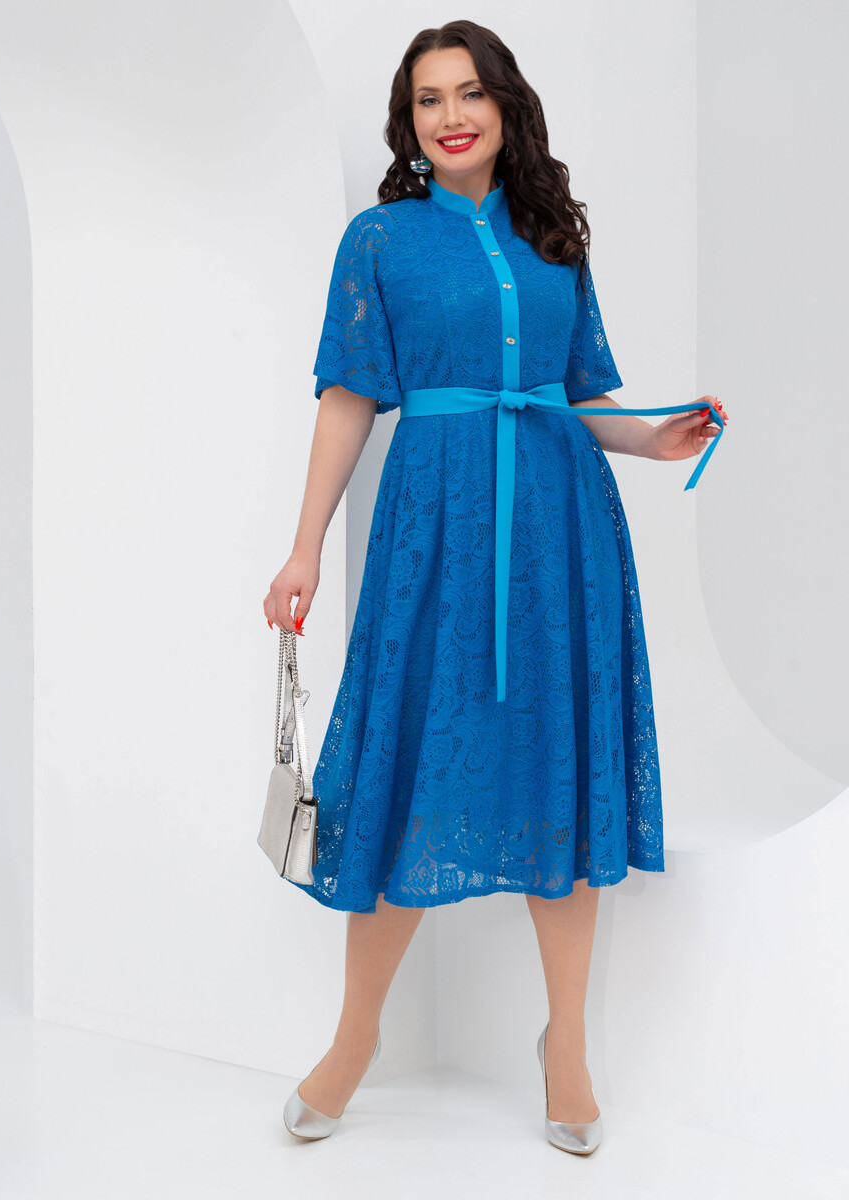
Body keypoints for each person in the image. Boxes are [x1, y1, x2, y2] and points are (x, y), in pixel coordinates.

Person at [262, 20, 726, 1154]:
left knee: (556, 773)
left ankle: (567, 1045)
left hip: (562, 535)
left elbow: (582, 397)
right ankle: (355, 1039)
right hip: (435, 534)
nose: (451, 115)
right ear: (408, 123)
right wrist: (304, 547)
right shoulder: (380, 240)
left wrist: (654, 437)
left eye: (470, 93)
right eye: (428, 100)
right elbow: (347, 399)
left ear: (505, 105)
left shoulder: (554, 235)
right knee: (410, 773)